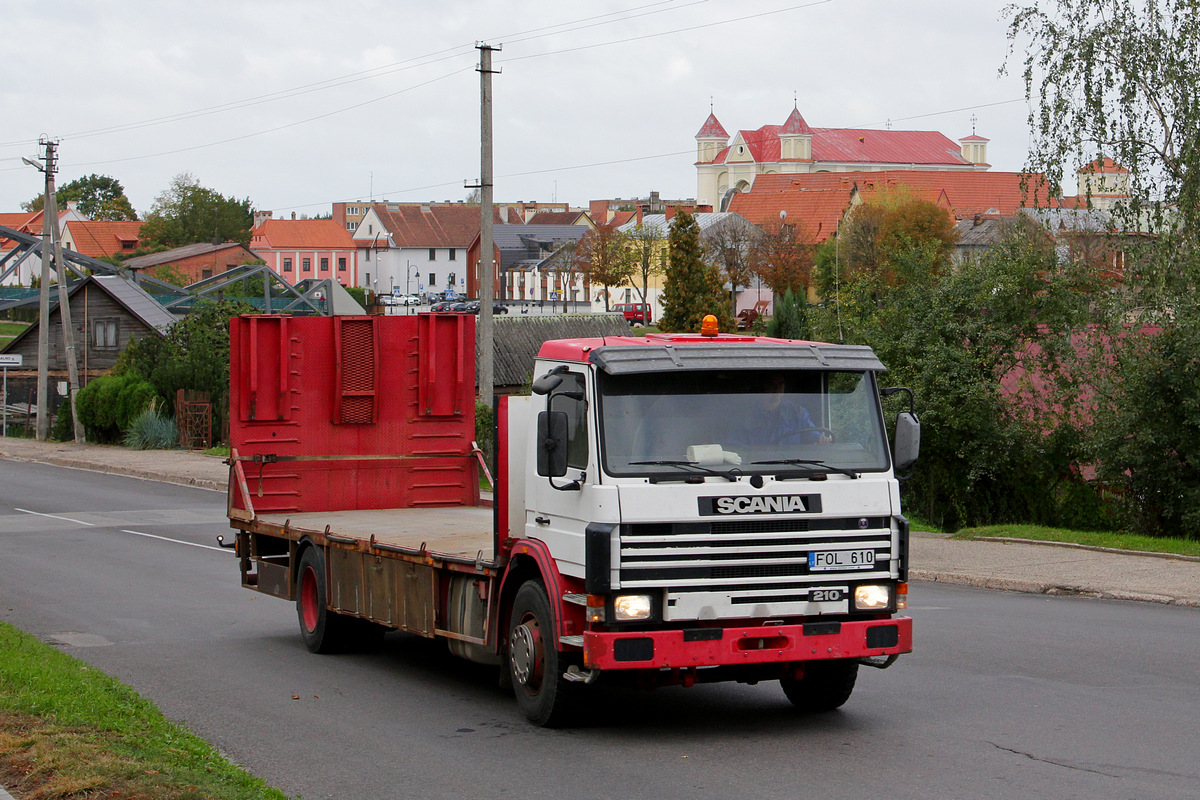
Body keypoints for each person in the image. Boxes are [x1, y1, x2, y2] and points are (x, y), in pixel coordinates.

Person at [740, 374, 831, 446]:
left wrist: (821, 439)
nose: (777, 389)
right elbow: (735, 446)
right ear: (763, 387)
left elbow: (812, 433)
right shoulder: (747, 415)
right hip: (757, 466)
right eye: (772, 384)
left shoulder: (798, 412)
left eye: (781, 384)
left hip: (793, 465)